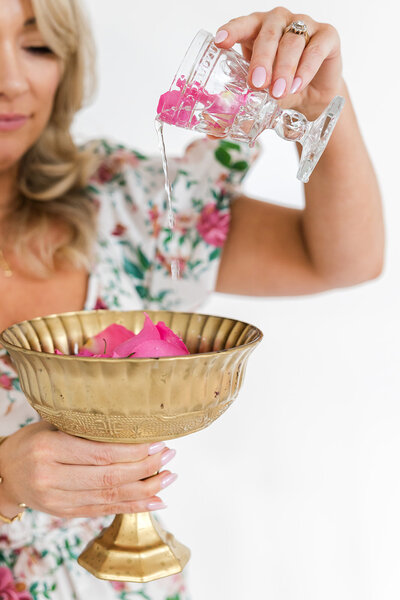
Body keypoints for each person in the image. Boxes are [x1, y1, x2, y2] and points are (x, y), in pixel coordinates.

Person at [0, 1, 384, 599]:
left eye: (38, 46)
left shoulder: (117, 198)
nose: (11, 81)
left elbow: (342, 259)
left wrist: (319, 108)